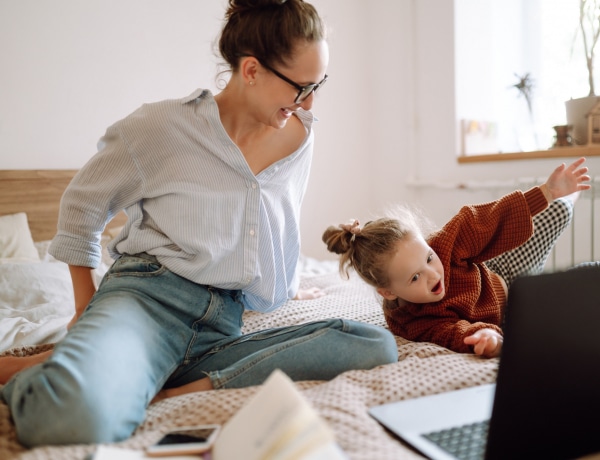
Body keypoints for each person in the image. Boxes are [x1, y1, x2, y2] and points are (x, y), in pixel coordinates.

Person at [0, 0, 398, 447]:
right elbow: (82, 206)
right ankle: (58, 369)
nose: (309, 101)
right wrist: (83, 310)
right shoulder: (161, 127)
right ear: (251, 70)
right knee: (67, 421)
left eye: (317, 84)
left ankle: (133, 372)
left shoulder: (299, 134)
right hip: (148, 300)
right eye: (301, 87)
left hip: (222, 321)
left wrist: (280, 285)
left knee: (374, 345)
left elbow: (273, 219)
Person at [323, 158, 591, 359]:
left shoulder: (443, 244)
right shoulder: (411, 322)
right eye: (415, 277)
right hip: (514, 307)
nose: (433, 275)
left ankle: (566, 192)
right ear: (388, 291)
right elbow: (452, 332)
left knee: (557, 213)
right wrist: (485, 336)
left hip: (503, 269)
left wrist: (545, 192)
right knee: (584, 285)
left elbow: (484, 221)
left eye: (428, 258)